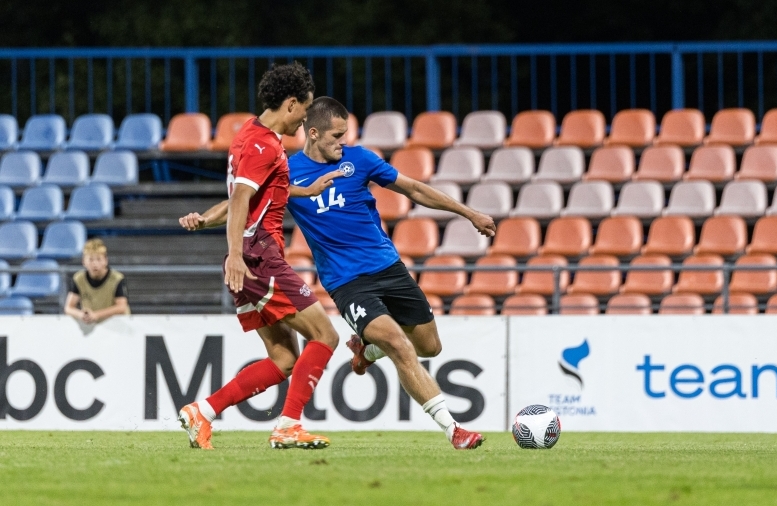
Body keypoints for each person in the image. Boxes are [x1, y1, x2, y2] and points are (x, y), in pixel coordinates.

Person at [182, 96, 495, 450]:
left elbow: (413, 188)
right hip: (347, 283)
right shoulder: (287, 167)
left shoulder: (360, 160)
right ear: (313, 134)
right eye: (336, 136)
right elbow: (244, 197)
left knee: (429, 346)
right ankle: (454, 430)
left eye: (345, 135)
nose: (342, 142)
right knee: (398, 344)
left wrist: (469, 213)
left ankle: (366, 350)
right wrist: (206, 219)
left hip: (389, 268)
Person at [177, 62, 344, 451]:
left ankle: (203, 410)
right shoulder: (263, 145)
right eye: (304, 109)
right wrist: (235, 254)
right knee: (326, 334)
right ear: (290, 104)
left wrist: (205, 220)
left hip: (250, 257)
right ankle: (288, 425)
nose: (305, 119)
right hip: (259, 257)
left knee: (285, 359)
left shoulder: (250, 136)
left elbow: (248, 194)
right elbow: (239, 200)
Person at [64, 238, 130, 323]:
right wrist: (81, 314)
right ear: (84, 261)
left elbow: (121, 307)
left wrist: (97, 315)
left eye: (99, 259)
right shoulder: (79, 279)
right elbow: (68, 307)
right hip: (91, 324)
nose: (95, 264)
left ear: (105, 261)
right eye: (91, 259)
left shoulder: (117, 278)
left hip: (118, 324)